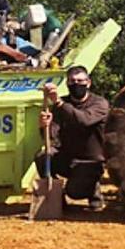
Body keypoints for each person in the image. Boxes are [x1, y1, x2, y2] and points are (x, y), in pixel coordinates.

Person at [37, 66, 110, 211]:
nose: (76, 84)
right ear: (67, 84)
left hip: (91, 160)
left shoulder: (99, 104)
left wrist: (59, 103)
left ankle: (93, 191)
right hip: (68, 158)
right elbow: (51, 136)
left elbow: (83, 120)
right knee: (43, 156)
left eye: (80, 80)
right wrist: (44, 126)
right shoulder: (61, 105)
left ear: (88, 83)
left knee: (75, 192)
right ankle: (56, 199)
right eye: (72, 81)